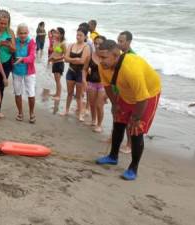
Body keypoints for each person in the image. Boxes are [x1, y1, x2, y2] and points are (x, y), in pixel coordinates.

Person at [96, 40, 161, 180]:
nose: (101, 61)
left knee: (136, 130)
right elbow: (107, 86)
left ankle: (133, 168)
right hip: (126, 93)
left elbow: (142, 98)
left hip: (148, 95)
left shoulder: (131, 69)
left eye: (104, 58)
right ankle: (113, 156)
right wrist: (115, 104)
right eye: (99, 57)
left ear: (116, 55)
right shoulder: (104, 66)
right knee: (118, 123)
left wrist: (136, 117)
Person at [0, 9, 15, 120]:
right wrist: (0, 43)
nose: (4, 25)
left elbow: (13, 50)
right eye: (2, 23)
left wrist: (9, 45)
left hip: (6, 61)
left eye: (6, 23)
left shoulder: (10, 32)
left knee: (1, 86)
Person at [61, 27, 90, 121]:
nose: (78, 37)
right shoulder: (71, 45)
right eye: (77, 35)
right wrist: (74, 59)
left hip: (80, 73)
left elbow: (82, 61)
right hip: (71, 71)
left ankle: (80, 114)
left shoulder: (86, 47)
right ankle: (66, 110)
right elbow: (65, 59)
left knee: (79, 95)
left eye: (80, 35)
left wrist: (71, 59)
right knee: (69, 93)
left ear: (85, 36)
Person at [82, 35, 107, 132]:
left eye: (100, 44)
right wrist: (84, 81)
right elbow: (84, 70)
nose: (97, 46)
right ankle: (93, 120)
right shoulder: (90, 56)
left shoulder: (107, 57)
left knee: (99, 105)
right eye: (95, 43)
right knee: (92, 104)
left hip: (103, 85)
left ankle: (99, 124)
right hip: (91, 83)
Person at [12, 23, 36, 123]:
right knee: (18, 92)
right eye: (21, 33)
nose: (23, 35)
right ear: (17, 33)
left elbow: (32, 57)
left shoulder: (31, 42)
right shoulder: (15, 41)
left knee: (31, 92)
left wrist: (23, 59)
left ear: (28, 33)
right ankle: (20, 113)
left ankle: (31, 113)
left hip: (29, 71)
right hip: (16, 71)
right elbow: (10, 52)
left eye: (25, 33)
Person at [48, 27, 65, 100]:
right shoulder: (55, 42)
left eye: (57, 33)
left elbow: (65, 55)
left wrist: (56, 58)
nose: (55, 34)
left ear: (61, 35)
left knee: (58, 81)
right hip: (54, 63)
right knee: (56, 80)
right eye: (55, 32)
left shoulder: (63, 44)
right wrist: (50, 58)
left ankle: (59, 95)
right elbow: (55, 52)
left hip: (59, 64)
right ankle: (56, 93)